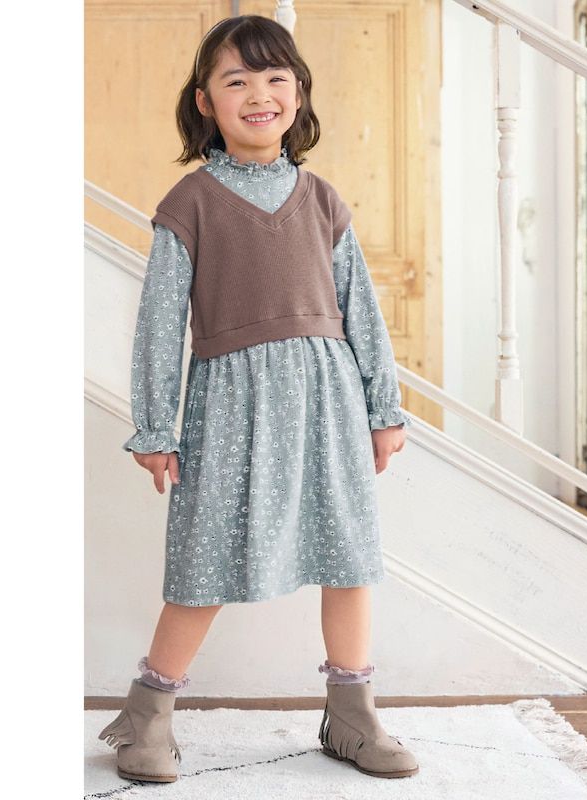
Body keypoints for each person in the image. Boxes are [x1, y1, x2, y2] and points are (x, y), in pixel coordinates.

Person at [97, 14, 419, 783]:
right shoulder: (190, 202)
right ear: (205, 101)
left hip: (327, 404)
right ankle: (148, 714)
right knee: (203, 563)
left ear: (298, 94)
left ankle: (353, 715)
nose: (258, 94)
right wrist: (155, 425)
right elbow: (159, 325)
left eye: (276, 78)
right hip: (230, 410)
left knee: (349, 558)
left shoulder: (323, 199)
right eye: (236, 80)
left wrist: (383, 408)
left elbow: (362, 311)